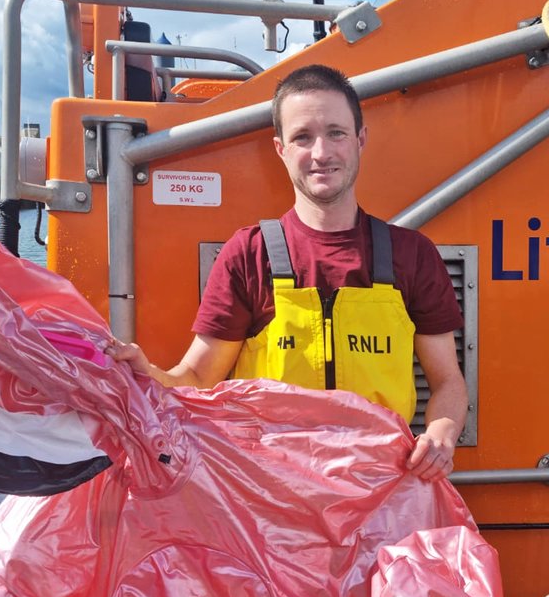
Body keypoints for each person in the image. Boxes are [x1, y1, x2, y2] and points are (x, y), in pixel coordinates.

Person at [111, 64, 467, 481]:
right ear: (280, 148)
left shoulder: (413, 255)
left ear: (360, 139)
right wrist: (146, 375)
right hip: (271, 494)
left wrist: (441, 434)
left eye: (336, 133)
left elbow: (448, 382)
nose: (321, 153)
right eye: (303, 137)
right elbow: (196, 378)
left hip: (381, 489)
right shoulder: (249, 255)